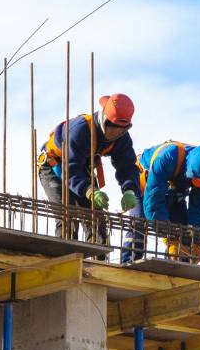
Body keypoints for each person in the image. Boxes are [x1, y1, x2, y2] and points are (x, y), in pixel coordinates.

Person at [37, 93, 140, 249]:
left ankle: (98, 263)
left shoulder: (121, 137)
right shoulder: (80, 130)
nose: (115, 134)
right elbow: (70, 169)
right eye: (113, 128)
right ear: (104, 120)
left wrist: (130, 190)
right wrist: (90, 190)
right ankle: (66, 259)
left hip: (82, 169)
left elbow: (127, 166)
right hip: (54, 167)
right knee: (67, 218)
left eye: (121, 130)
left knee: (97, 221)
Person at [123, 140, 200, 264]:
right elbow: (153, 201)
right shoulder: (168, 157)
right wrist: (168, 235)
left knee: (183, 235)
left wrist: (196, 240)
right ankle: (129, 262)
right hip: (144, 185)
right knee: (138, 223)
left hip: (173, 192)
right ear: (192, 170)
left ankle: (173, 270)